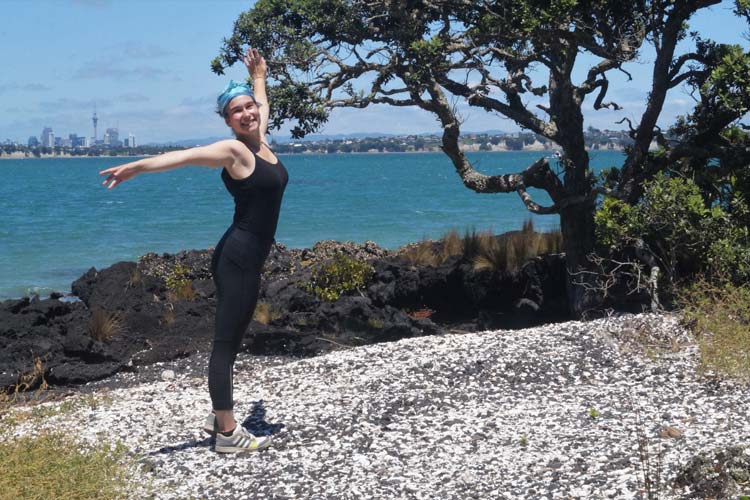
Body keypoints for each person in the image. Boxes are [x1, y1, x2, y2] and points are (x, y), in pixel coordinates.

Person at [100, 48, 287, 454]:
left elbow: (264, 104)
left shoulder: (261, 143)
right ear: (227, 120)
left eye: (249, 107)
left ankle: (221, 413)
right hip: (237, 258)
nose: (247, 114)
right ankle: (226, 435)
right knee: (224, 345)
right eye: (236, 111)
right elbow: (182, 157)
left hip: (248, 258)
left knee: (233, 340)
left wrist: (258, 76)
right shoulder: (235, 150)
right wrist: (136, 167)